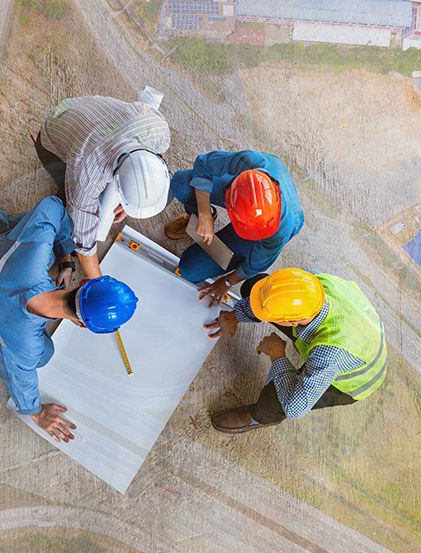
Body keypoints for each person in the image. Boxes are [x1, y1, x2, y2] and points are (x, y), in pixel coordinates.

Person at [0, 196, 139, 442]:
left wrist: (65, 255)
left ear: (83, 282)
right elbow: (20, 382)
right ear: (81, 324)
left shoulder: (33, 255)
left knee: (29, 233)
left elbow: (52, 205)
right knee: (39, 354)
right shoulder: (26, 346)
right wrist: (37, 413)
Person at [204, 268, 387, 433]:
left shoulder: (329, 352)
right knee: (256, 287)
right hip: (356, 330)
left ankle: (259, 416)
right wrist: (234, 315)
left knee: (281, 396)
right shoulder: (312, 284)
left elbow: (295, 407)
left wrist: (277, 354)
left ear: (293, 321)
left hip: (355, 379)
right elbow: (269, 299)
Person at [35, 91, 171, 278]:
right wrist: (99, 282)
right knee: (70, 204)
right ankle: (61, 244)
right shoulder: (88, 171)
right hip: (55, 128)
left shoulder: (158, 130)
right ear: (115, 179)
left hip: (84, 109)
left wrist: (126, 201)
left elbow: (161, 153)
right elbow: (84, 241)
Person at [164, 150, 304, 307]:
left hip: (267, 224)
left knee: (189, 270)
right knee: (181, 183)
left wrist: (227, 282)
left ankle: (215, 226)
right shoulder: (249, 163)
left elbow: (256, 264)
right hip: (243, 193)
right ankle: (202, 216)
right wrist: (204, 214)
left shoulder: (279, 230)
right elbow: (204, 164)